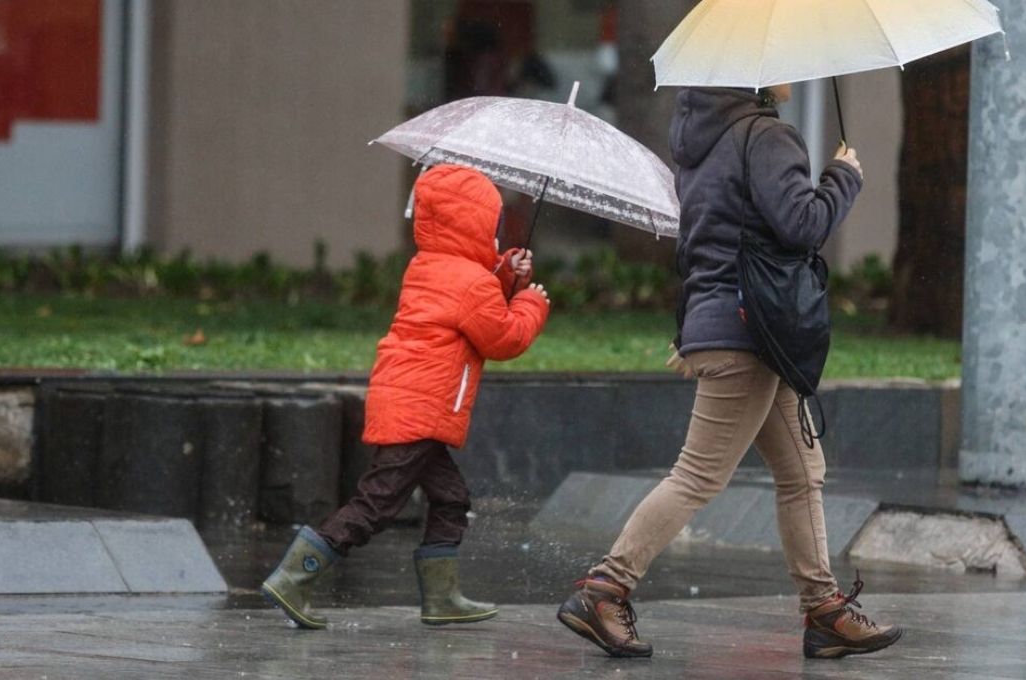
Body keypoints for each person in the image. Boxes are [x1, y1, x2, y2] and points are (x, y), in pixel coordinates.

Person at [557, 85, 901, 659]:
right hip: (751, 330)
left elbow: (696, 242)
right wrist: (844, 176)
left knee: (801, 470)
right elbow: (802, 224)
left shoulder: (703, 142)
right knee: (698, 476)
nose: (794, 76)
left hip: (737, 328)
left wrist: (692, 325)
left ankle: (824, 611)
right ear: (757, 76)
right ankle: (606, 587)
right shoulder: (766, 136)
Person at [261, 164, 551, 629]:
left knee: (451, 498)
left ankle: (442, 598)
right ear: (475, 224)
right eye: (493, 227)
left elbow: (470, 296)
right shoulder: (470, 284)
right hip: (422, 409)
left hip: (408, 401)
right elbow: (503, 338)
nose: (496, 235)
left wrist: (505, 271)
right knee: (376, 504)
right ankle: (295, 576)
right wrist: (530, 301)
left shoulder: (429, 266)